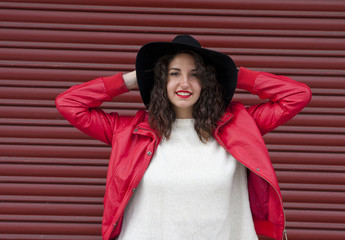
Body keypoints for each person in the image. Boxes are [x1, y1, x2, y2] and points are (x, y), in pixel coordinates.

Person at [56, 35, 311, 240]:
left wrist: (235, 74)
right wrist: (132, 79)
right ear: (162, 80)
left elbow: (297, 95)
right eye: (174, 73)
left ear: (207, 81)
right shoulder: (130, 131)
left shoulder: (239, 125)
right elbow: (69, 103)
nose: (184, 83)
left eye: (195, 74)